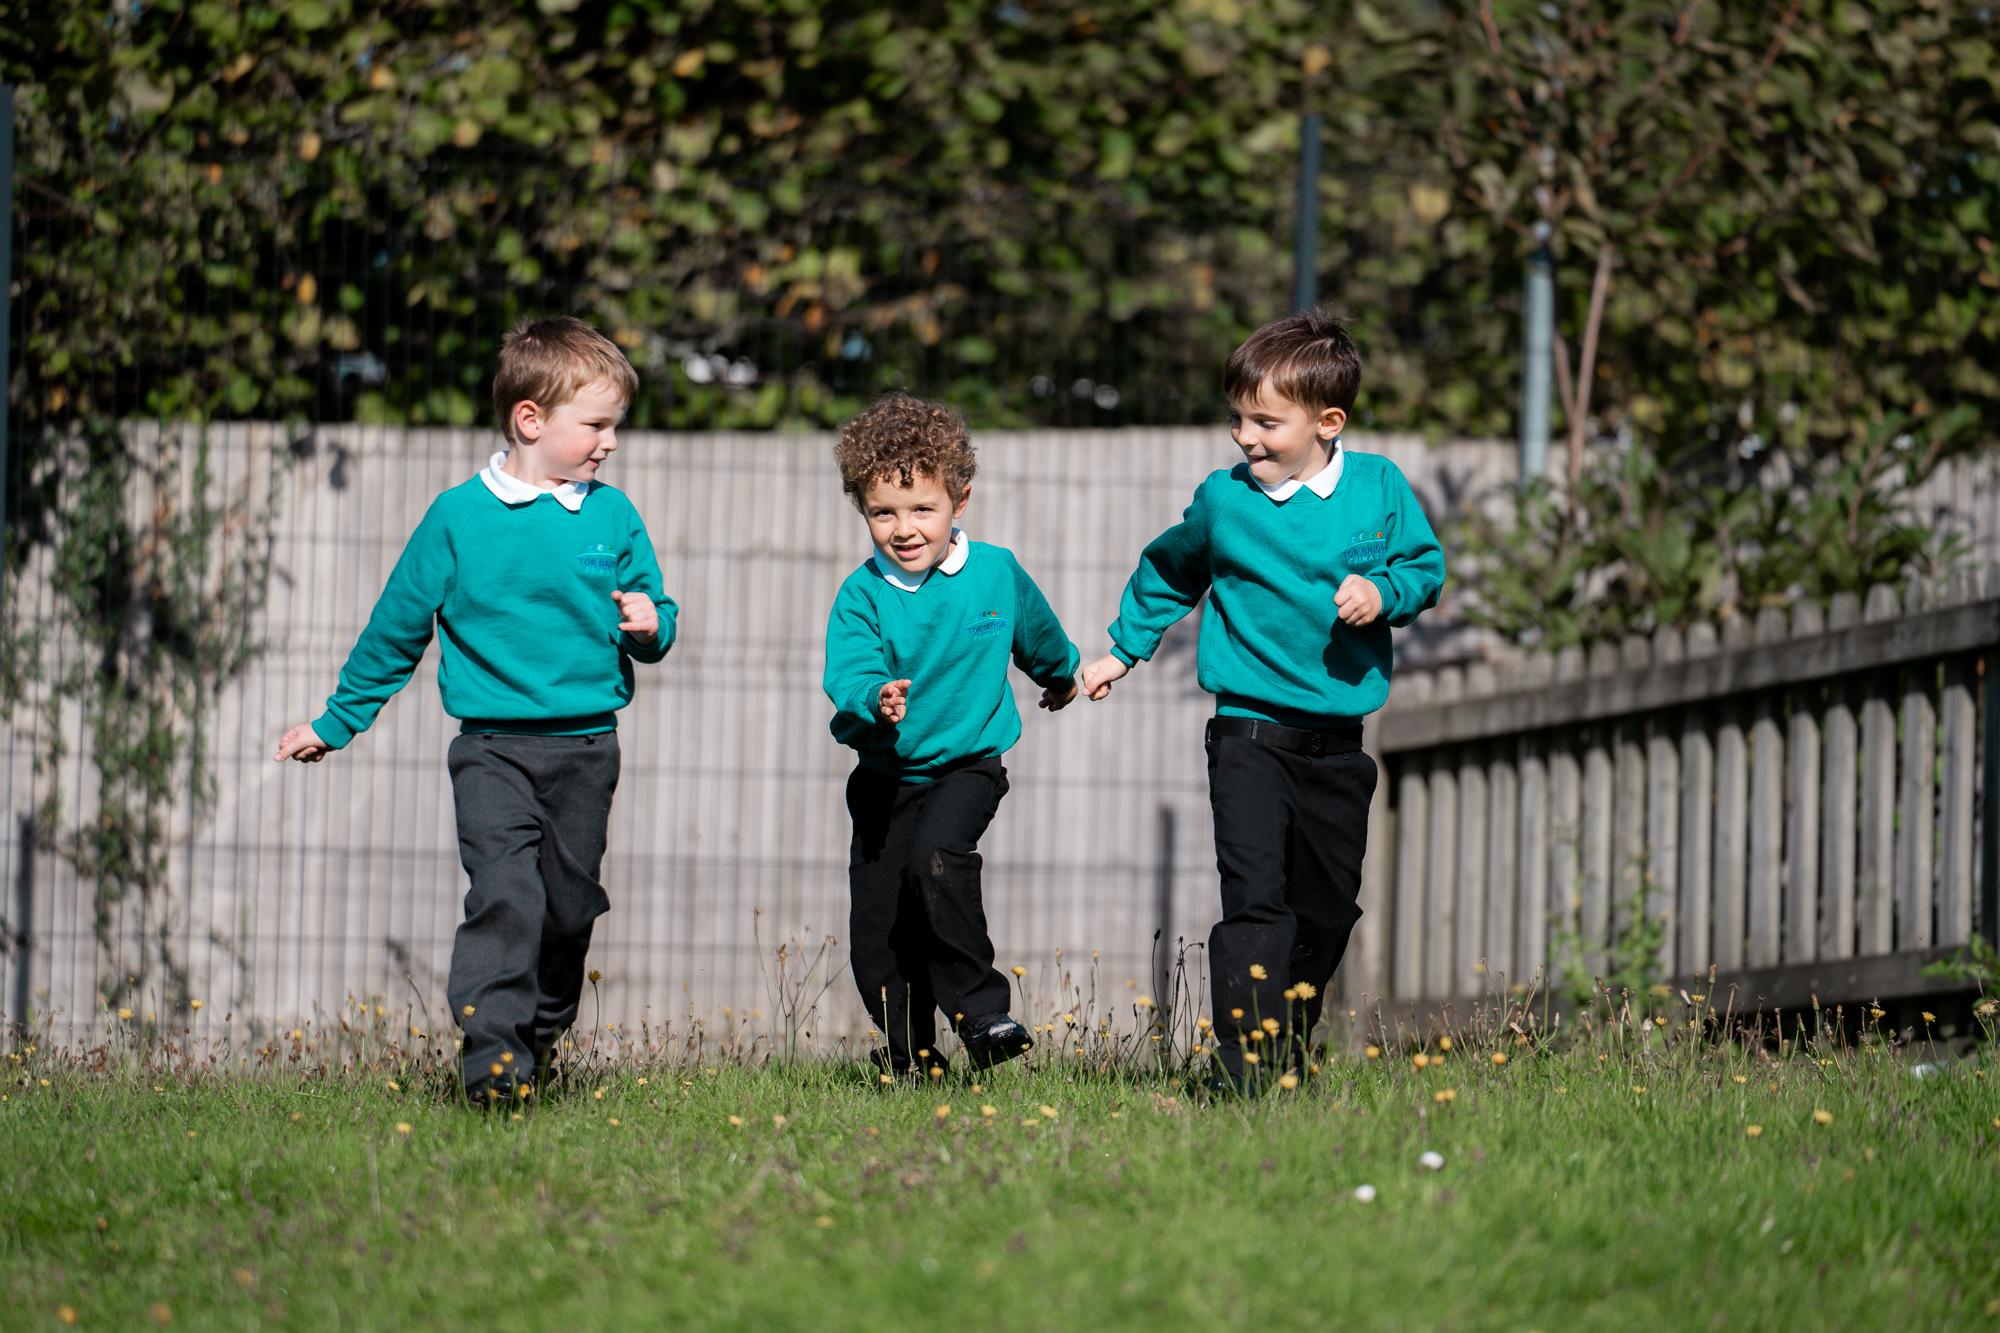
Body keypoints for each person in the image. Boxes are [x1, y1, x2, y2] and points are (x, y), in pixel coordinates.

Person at [272, 315, 676, 1106]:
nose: (611, 443)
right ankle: (493, 1058)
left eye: (614, 426)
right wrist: (335, 721)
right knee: (505, 897)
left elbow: (655, 615)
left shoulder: (612, 516)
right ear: (531, 418)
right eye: (596, 425)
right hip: (492, 751)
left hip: (588, 750)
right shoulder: (458, 519)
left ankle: (540, 1035)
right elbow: (395, 630)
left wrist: (653, 622)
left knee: (567, 910)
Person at [1078, 310, 1446, 1092]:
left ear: (1327, 421)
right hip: (1246, 734)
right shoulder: (1224, 501)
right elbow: (1170, 572)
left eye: (1266, 421)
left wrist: (1384, 591)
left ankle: (1286, 1043)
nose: (1246, 436)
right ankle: (1242, 1065)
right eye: (1238, 417)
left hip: (1339, 741)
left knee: (1326, 912)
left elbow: (1425, 569)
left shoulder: (1378, 489)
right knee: (1256, 904)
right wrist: (1122, 649)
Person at [823, 393, 1080, 1080]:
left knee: (938, 859)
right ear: (864, 510)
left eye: (922, 509)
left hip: (967, 763)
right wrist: (874, 697)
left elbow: (1039, 635)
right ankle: (912, 1056)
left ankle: (981, 1012)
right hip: (885, 780)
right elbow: (846, 671)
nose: (904, 528)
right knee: (877, 941)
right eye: (884, 511)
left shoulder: (995, 573)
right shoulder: (863, 595)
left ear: (959, 501)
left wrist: (1061, 678)